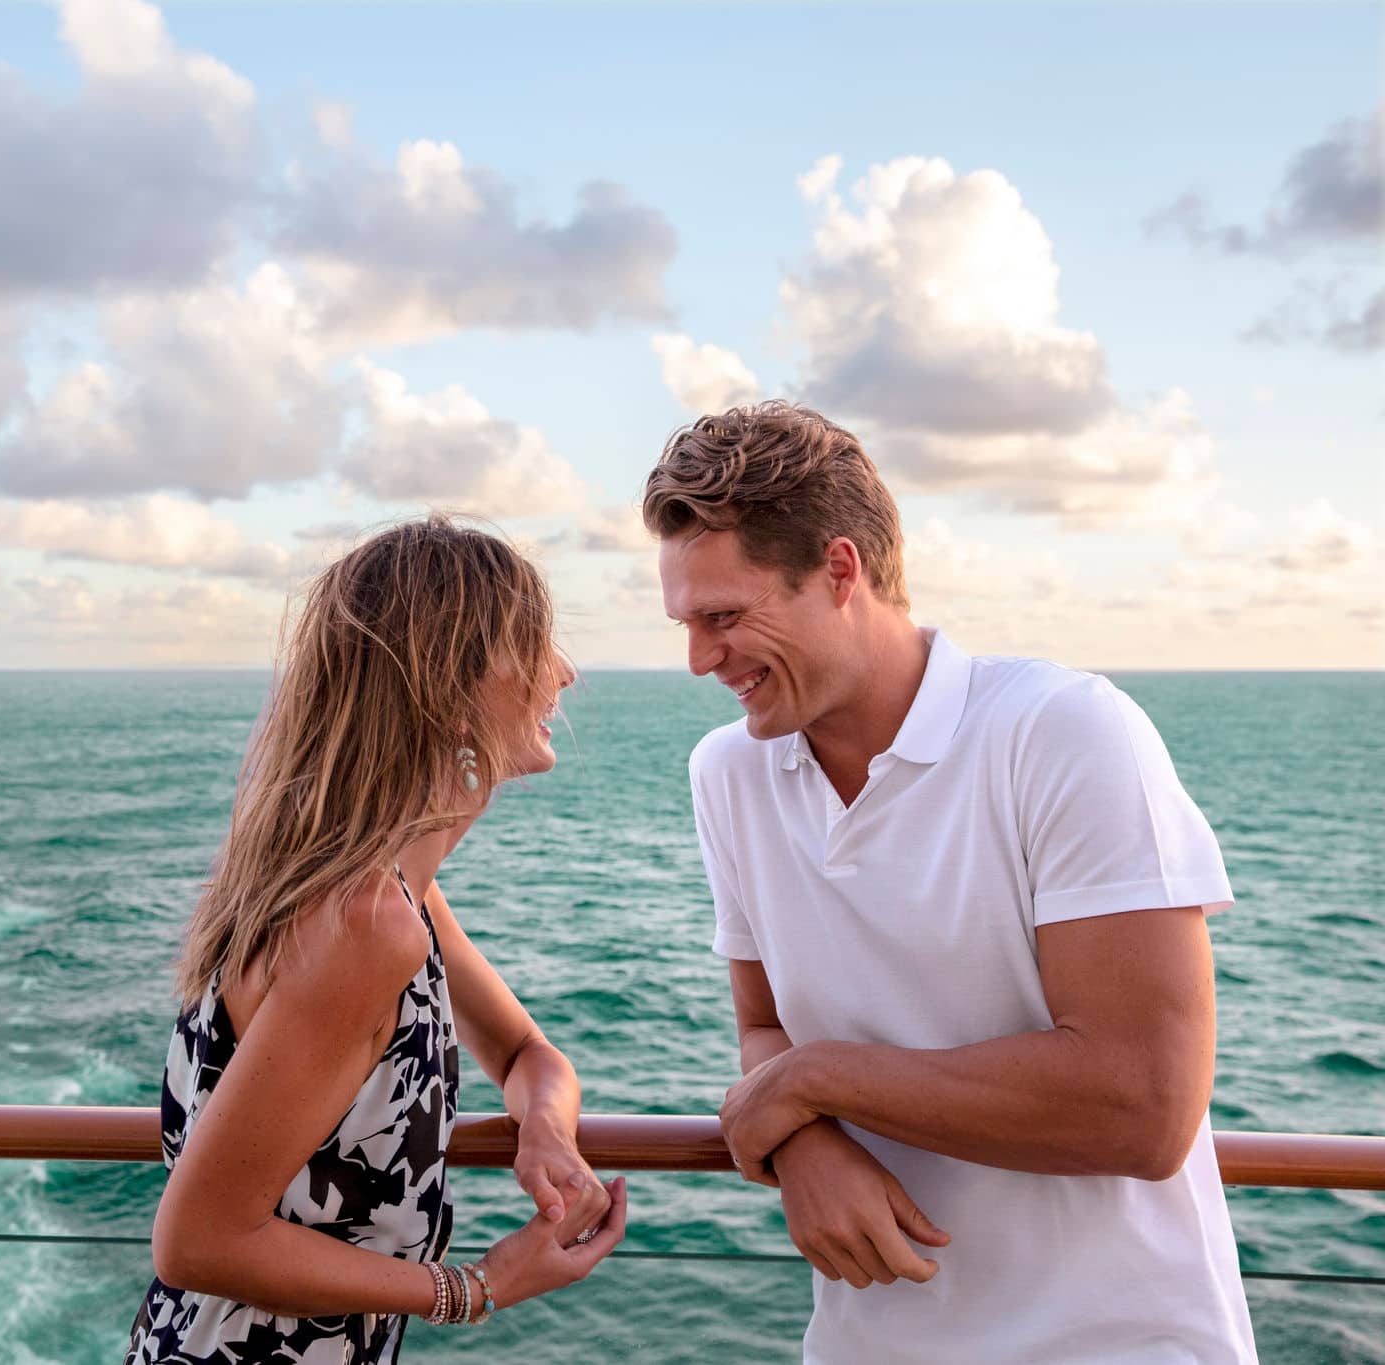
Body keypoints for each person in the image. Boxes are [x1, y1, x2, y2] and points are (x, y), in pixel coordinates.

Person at [647, 403, 1256, 1363]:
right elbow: (764, 1028)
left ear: (841, 571)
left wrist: (811, 1082)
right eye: (688, 622)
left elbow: (1145, 1106)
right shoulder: (728, 773)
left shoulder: (1064, 730)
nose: (699, 660)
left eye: (726, 616)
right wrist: (803, 1141)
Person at [126, 515, 627, 1365]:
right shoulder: (364, 920)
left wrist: (544, 1125)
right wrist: (477, 1285)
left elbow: (527, 1053)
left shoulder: (392, 891)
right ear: (451, 683)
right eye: (534, 646)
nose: (562, 673)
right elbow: (198, 1238)